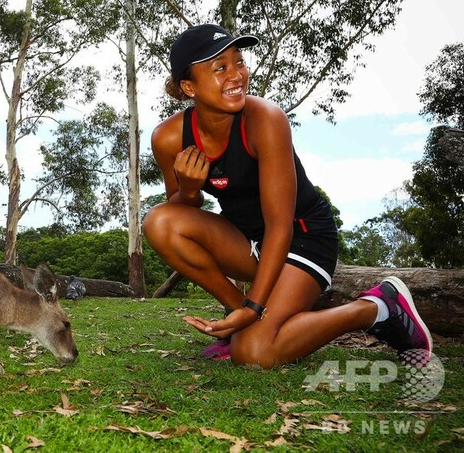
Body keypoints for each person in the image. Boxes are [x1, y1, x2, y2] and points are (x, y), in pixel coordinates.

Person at [143, 23, 432, 368]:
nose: (236, 75)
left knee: (254, 353)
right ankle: (240, 317)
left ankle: (378, 307)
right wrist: (189, 189)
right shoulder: (168, 138)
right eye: (220, 68)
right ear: (189, 86)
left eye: (239, 61)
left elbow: (280, 226)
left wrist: (254, 310)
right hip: (247, 241)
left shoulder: (265, 119)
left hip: (303, 236)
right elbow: (180, 209)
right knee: (158, 221)